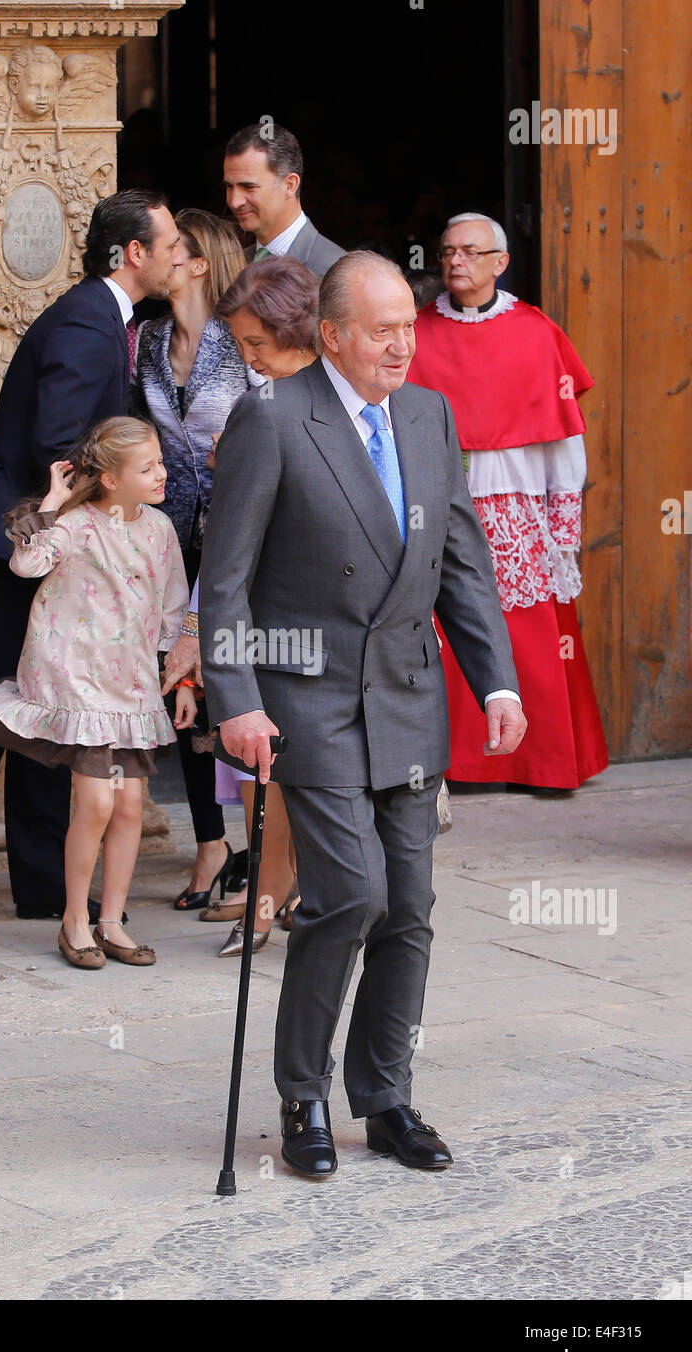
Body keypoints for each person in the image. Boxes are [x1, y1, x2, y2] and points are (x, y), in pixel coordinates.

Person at [199, 250, 527, 1180]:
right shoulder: (273, 422)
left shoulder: (428, 416)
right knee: (351, 894)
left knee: (410, 909)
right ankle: (302, 1090)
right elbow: (224, 584)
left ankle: (384, 1097)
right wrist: (238, 702)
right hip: (309, 699)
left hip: (409, 698)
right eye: (382, 331)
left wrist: (496, 682)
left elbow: (462, 560)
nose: (402, 345)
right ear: (333, 335)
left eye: (410, 328)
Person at [0, 192, 182, 942]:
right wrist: (110, 512)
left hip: (39, 538)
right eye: (171, 242)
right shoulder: (91, 321)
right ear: (133, 253)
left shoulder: (101, 315)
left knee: (43, 703)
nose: (180, 254)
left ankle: (41, 884)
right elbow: (60, 440)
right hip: (15, 545)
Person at [0, 417, 194, 969]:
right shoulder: (78, 524)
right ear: (111, 480)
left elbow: (173, 606)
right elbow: (27, 563)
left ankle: (111, 920)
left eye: (161, 462)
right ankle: (74, 919)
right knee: (95, 801)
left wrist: (183, 677)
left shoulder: (161, 530)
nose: (162, 474)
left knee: (129, 808)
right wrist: (52, 500)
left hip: (133, 686)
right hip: (78, 680)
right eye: (147, 468)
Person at [407, 213, 608, 793]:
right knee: (444, 625)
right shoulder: (416, 331)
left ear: (500, 261)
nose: (455, 262)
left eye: (470, 251)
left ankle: (540, 761)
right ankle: (456, 762)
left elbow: (566, 441)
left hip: (519, 506)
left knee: (530, 630)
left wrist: (561, 531)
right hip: (440, 506)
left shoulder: (536, 331)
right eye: (447, 252)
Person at [164, 257, 322, 956]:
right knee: (261, 771)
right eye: (244, 345)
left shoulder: (359, 405)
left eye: (258, 344)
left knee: (303, 772)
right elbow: (227, 549)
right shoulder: (258, 412)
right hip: (257, 622)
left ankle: (292, 894)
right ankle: (265, 894)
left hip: (324, 623)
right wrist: (197, 630)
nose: (250, 360)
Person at [131, 209, 257, 913]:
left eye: (171, 248)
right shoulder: (146, 340)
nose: (157, 256)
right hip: (169, 539)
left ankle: (257, 848)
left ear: (200, 262)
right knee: (178, 679)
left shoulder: (241, 344)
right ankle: (209, 842)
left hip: (237, 536)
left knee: (228, 683)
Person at [223, 123, 344, 276]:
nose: (234, 201)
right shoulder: (231, 267)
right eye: (229, 187)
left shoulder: (336, 271)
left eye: (249, 187)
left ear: (289, 185)